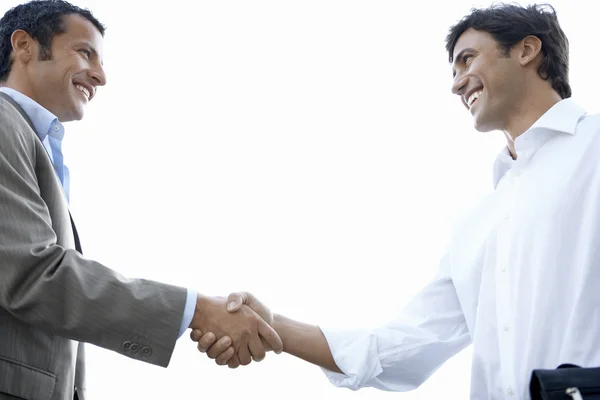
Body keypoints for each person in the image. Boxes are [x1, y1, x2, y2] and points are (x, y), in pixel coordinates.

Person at [192, 3, 600, 399]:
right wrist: (271, 325)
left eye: (468, 59)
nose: (457, 83)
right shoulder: (477, 222)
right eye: (454, 70)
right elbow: (401, 347)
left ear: (527, 51)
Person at [0, 1, 282, 399]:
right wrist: (195, 310)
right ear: (24, 46)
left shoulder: (32, 141)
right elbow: (33, 276)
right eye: (85, 52)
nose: (99, 75)